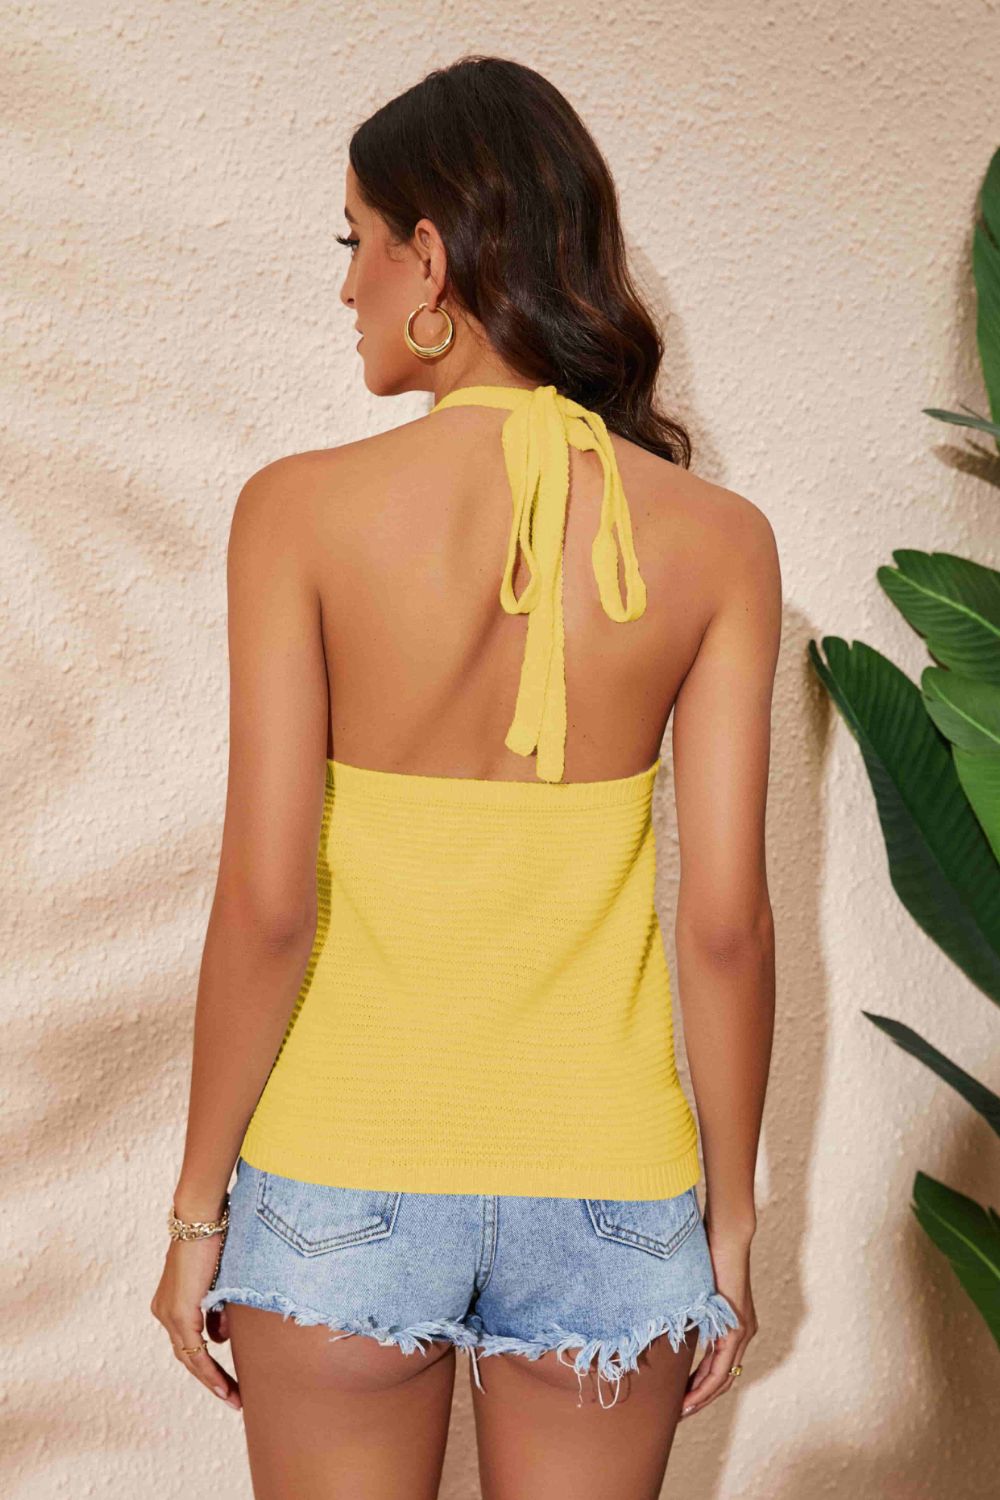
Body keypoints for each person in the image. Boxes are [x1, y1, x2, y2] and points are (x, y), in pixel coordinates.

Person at [151, 53, 779, 1500]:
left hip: (340, 1182)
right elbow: (726, 927)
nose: (348, 286)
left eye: (356, 240)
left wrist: (196, 1213)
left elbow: (266, 907)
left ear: (428, 257)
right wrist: (734, 1217)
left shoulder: (297, 515)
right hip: (614, 1191)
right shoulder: (719, 541)